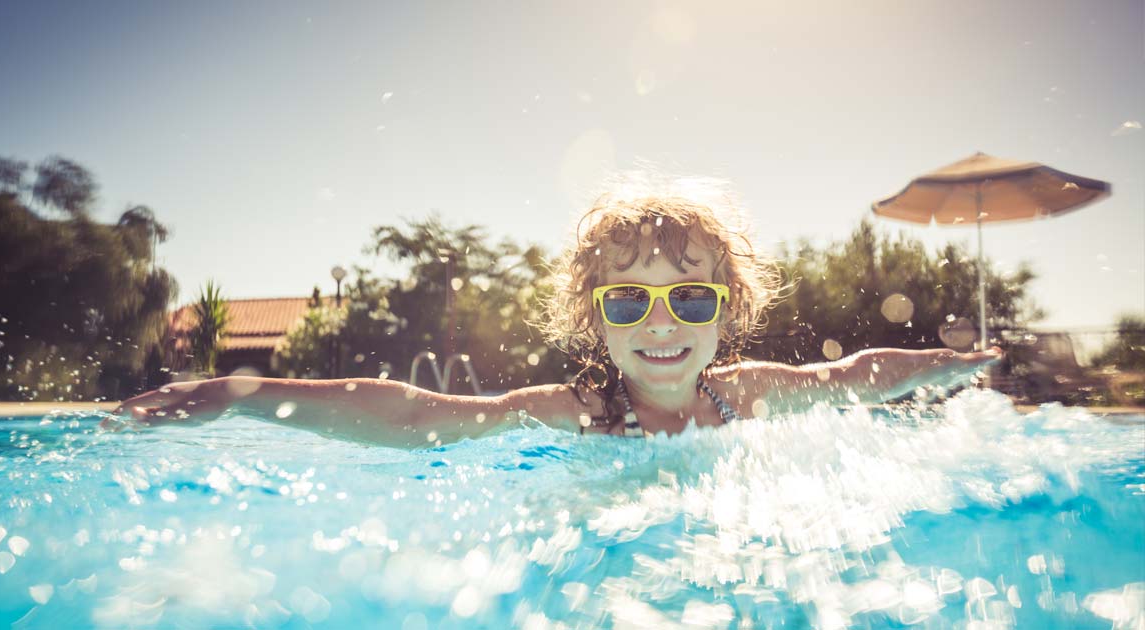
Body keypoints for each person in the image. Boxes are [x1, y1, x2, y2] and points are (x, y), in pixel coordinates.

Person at [112, 177, 1000, 448]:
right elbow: (419, 414)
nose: (662, 323)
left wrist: (964, 366)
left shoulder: (750, 395)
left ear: (726, 312)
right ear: (596, 318)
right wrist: (244, 388)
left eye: (690, 296)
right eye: (629, 299)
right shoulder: (572, 413)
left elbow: (853, 379)